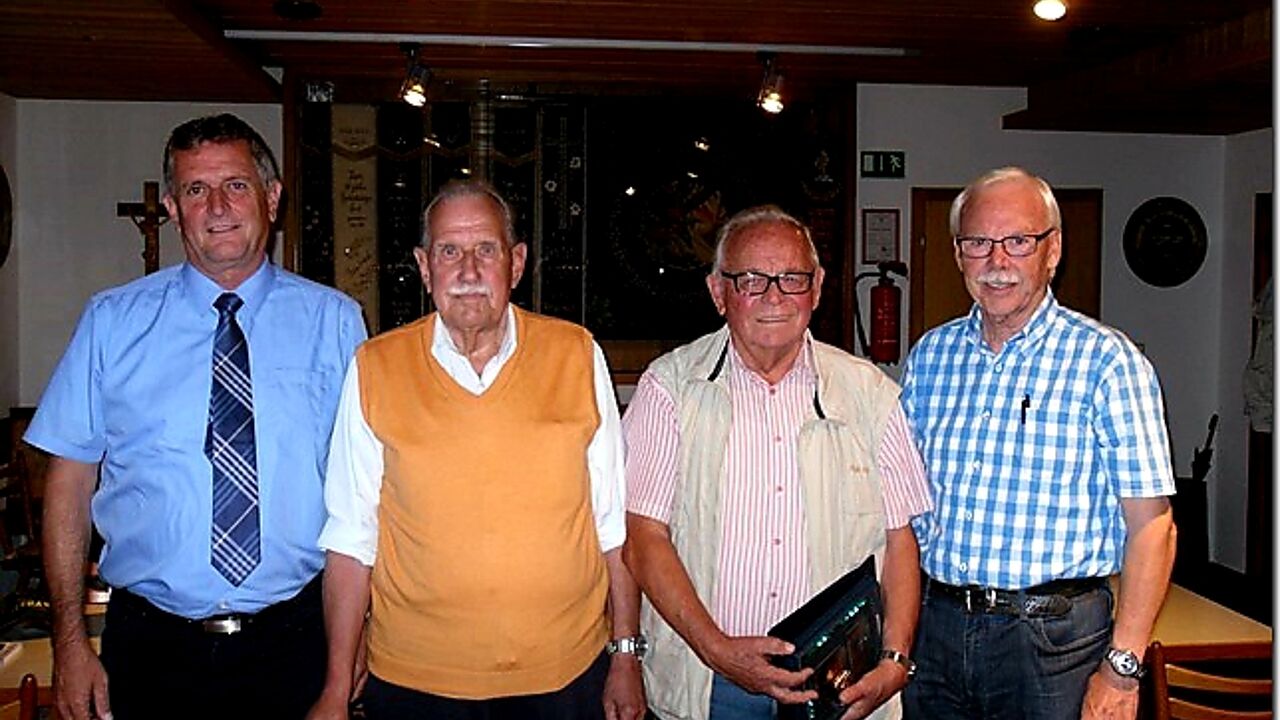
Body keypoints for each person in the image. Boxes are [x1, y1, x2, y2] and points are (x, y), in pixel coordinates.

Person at [25, 113, 367, 720]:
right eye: (195, 190)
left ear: (272, 196)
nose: (217, 206)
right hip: (151, 649)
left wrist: (358, 637)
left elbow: (364, 497)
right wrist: (70, 641)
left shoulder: (336, 324)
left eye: (235, 184)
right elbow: (68, 485)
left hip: (296, 644)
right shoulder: (112, 323)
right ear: (175, 211)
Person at [307, 180, 646, 720]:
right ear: (424, 266)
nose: (467, 272)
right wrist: (334, 687)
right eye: (449, 251)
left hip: (565, 677)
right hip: (415, 681)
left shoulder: (576, 355)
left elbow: (614, 528)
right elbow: (351, 539)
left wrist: (625, 655)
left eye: (485, 250)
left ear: (516, 263)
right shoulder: (376, 368)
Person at [623, 205, 932, 720]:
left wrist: (896, 661)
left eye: (792, 278)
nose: (774, 296)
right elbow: (642, 536)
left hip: (837, 684)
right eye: (751, 280)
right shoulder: (669, 388)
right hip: (711, 686)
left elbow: (900, 540)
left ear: (817, 287)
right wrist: (716, 648)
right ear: (718, 292)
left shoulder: (871, 395)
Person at [899, 167, 1178, 720]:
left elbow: (1154, 527)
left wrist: (1122, 669)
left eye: (1018, 242)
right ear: (958, 254)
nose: (996, 262)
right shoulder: (931, 356)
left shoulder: (1108, 362)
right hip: (938, 629)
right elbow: (902, 507)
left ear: (1052, 251)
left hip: (1054, 644)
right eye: (977, 242)